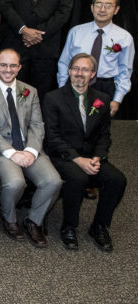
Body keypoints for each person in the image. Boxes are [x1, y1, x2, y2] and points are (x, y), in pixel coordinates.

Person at [43, 53, 127, 252]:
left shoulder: (102, 99)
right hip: (62, 156)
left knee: (117, 179)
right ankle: (69, 227)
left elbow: (105, 135)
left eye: (85, 70)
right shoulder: (52, 98)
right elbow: (52, 137)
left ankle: (99, 226)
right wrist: (77, 159)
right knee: (78, 178)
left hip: (91, 156)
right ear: (69, 71)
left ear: (93, 74)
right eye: (76, 69)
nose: (79, 74)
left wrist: (98, 157)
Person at [0, 49, 62, 247]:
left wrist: (31, 151)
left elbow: (37, 125)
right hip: (1, 150)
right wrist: (12, 153)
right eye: (4, 65)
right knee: (15, 183)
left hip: (29, 148)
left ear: (19, 67)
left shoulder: (29, 91)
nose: (8, 70)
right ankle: (9, 218)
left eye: (13, 66)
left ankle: (33, 221)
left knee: (53, 181)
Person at [57, 0, 134, 117]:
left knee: (101, 130)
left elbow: (125, 70)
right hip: (76, 83)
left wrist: (117, 99)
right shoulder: (76, 32)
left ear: (116, 10)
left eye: (108, 5)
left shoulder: (124, 37)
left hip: (105, 87)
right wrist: (63, 89)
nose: (102, 9)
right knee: (73, 126)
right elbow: (64, 62)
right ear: (92, 7)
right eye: (98, 4)